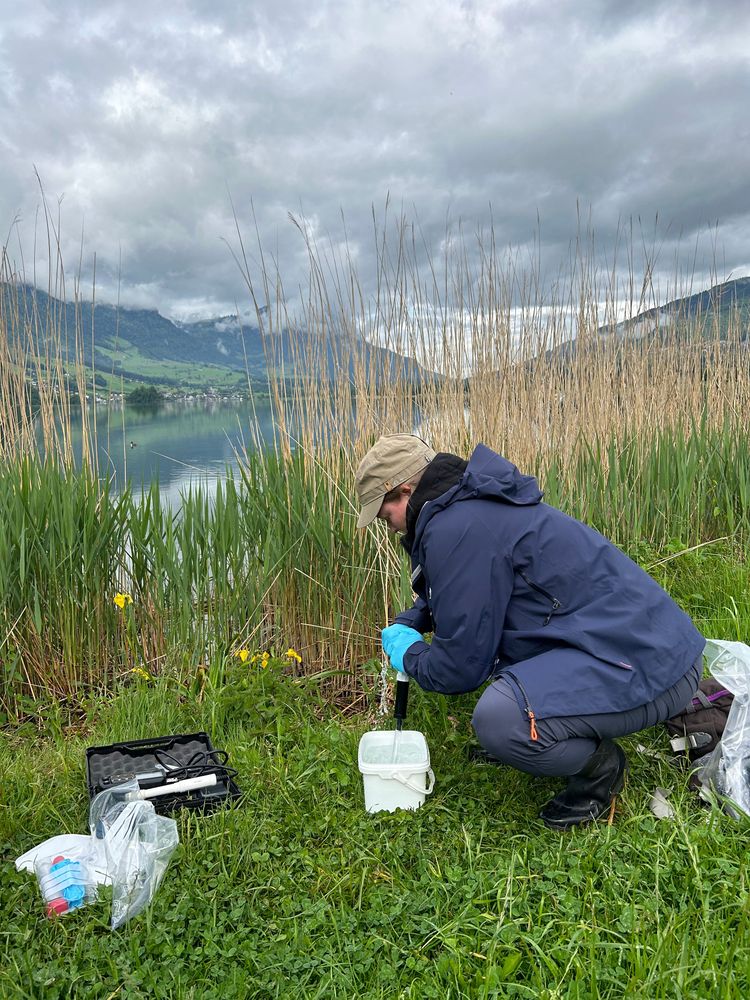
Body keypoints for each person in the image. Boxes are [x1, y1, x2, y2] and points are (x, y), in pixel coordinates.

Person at [355, 433, 705, 830]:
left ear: (403, 491)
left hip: (654, 669)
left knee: (501, 720)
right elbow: (468, 593)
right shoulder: (468, 507)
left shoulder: (457, 528)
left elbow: (458, 669)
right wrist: (415, 619)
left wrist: (412, 656)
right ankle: (544, 734)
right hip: (651, 648)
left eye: (385, 516)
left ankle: (599, 770)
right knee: (506, 692)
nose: (389, 528)